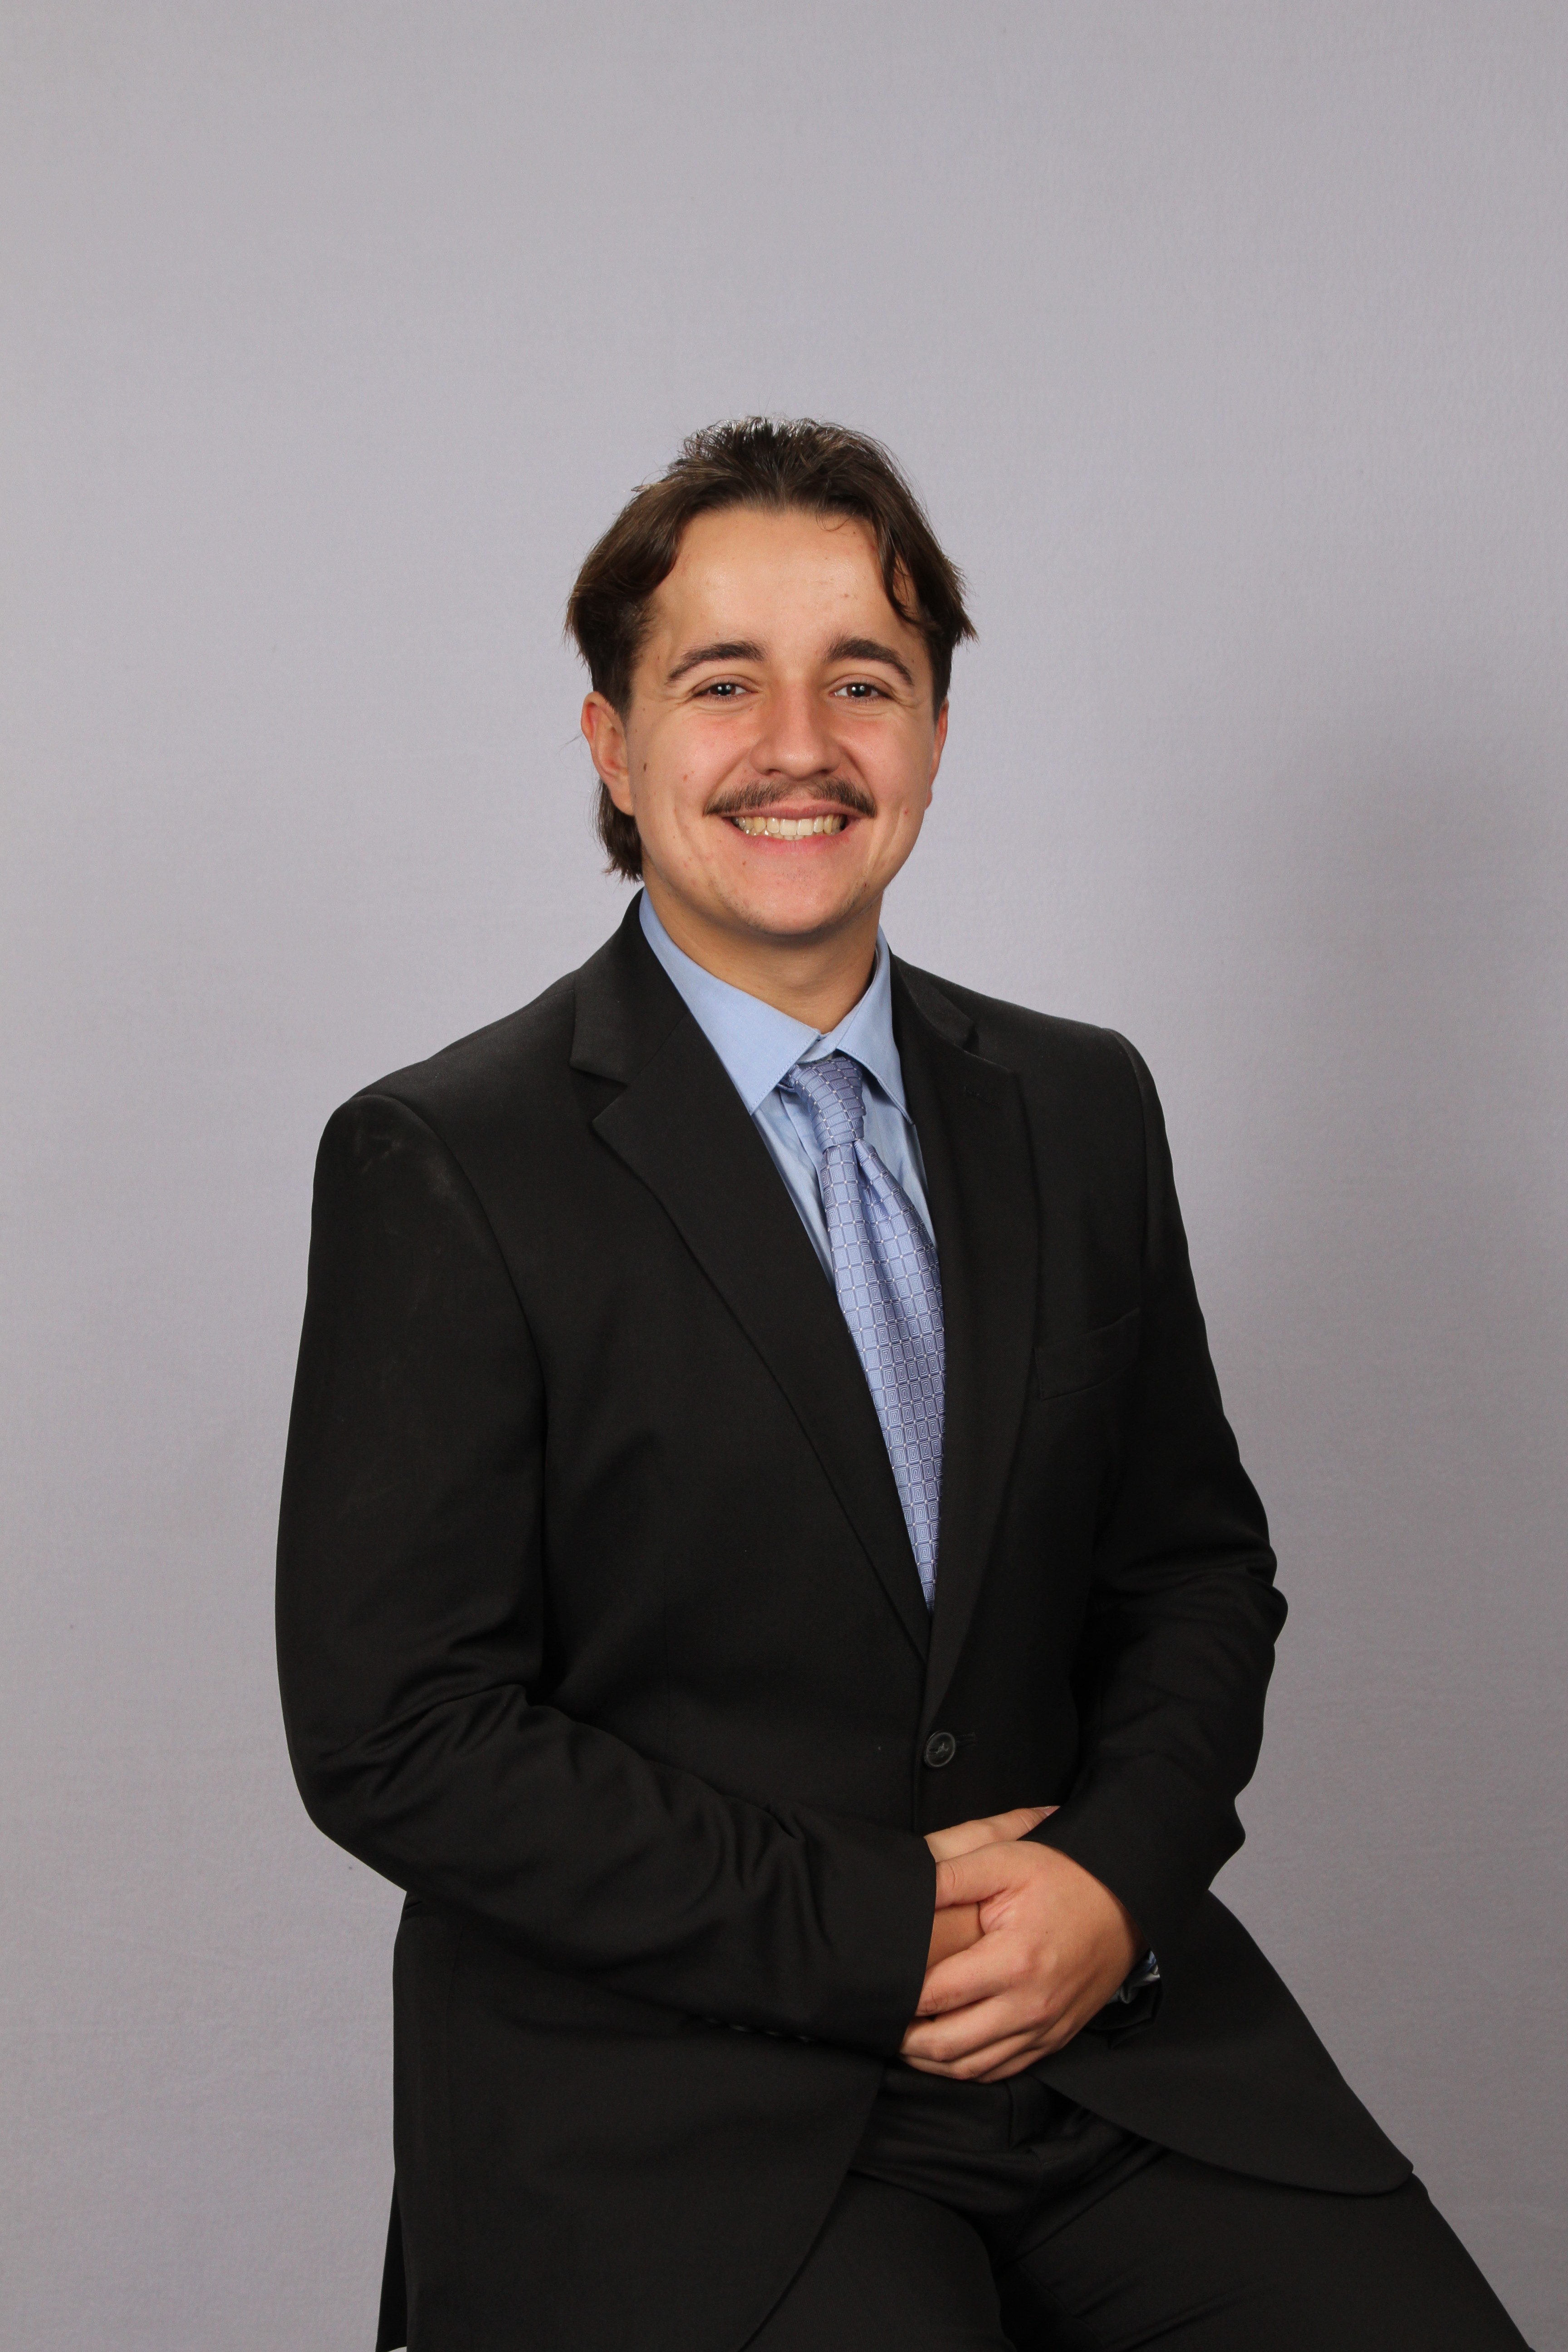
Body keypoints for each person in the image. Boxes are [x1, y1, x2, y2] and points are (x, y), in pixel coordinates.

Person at [276, 418, 1529, 2350]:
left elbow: (1194, 1574)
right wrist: (870, 1928)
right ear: (612, 742)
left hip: (1096, 2040)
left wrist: (1111, 1882)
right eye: (724, 682)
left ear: (936, 731)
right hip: (669, 2096)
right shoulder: (446, 1158)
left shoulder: (1079, 1107)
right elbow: (399, 1731)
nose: (801, 743)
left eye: (864, 679)